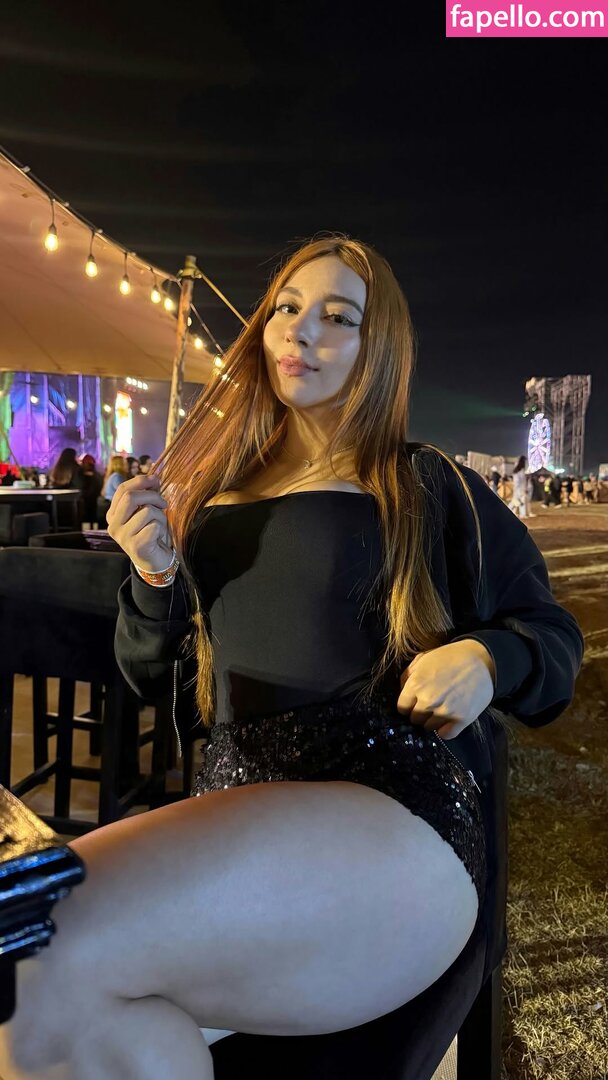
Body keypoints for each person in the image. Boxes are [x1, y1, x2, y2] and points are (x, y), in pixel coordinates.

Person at [1, 236, 584, 1080]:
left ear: (379, 348)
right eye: (286, 307)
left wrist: (488, 659)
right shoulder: (213, 500)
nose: (301, 330)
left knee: (32, 931)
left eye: (338, 317)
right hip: (240, 819)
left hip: (392, 818)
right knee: (43, 1022)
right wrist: (157, 575)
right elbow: (158, 680)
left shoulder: (423, 485)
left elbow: (554, 641)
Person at [79, 453, 104, 528]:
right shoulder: (97, 475)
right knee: (93, 518)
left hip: (84, 500)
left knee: (85, 518)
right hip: (94, 500)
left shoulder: (79, 474)